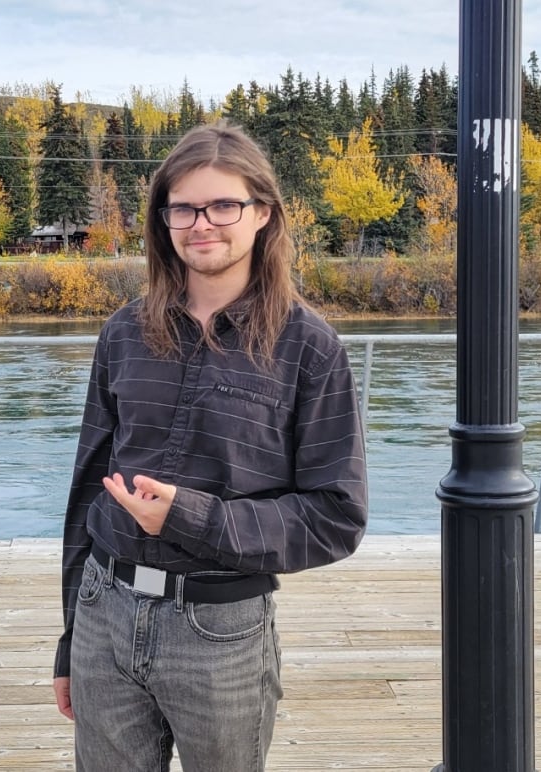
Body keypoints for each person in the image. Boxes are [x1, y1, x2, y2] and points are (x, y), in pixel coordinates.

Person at [53, 120, 368, 771]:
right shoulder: (122, 335)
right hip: (102, 613)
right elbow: (88, 489)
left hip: (220, 632)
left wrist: (189, 516)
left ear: (263, 214)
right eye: (184, 207)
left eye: (224, 204)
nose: (203, 223)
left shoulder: (309, 348)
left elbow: (337, 516)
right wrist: (68, 639)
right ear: (162, 219)